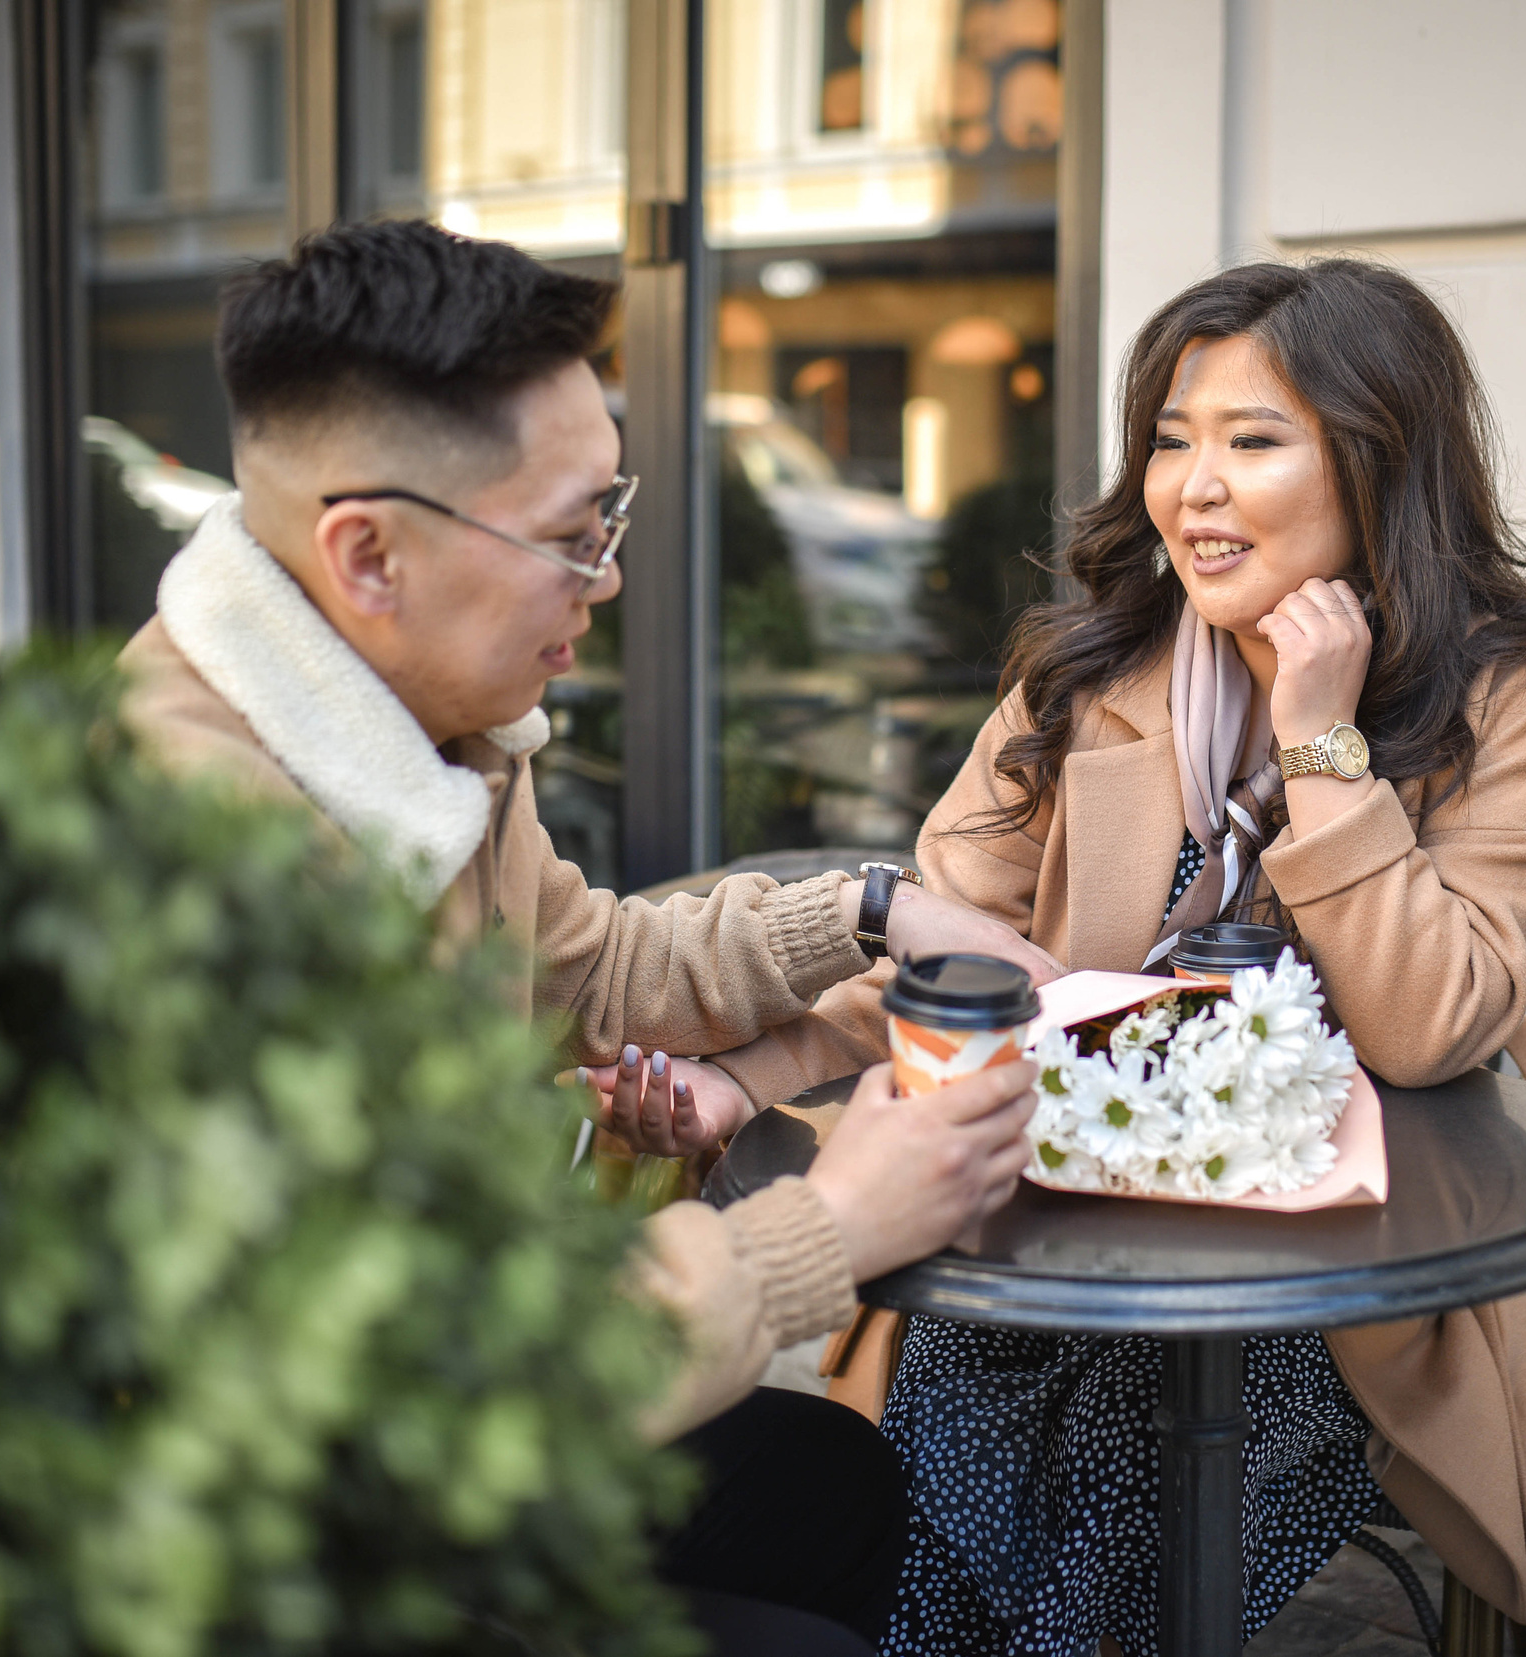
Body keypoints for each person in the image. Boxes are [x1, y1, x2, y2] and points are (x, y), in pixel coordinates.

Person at [598, 259, 1526, 1655]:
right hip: (1053, 1223)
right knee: (916, 1569)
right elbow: (947, 931)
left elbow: (1432, 1023)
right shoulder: (1088, 677)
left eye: (1252, 440)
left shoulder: (1504, 714)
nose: (1192, 485)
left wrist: (1321, 743)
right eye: (1173, 439)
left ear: (1378, 465)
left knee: (1113, 1578)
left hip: (1318, 1282)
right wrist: (751, 1073)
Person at [114, 218, 1059, 1654]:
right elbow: (428, 1389)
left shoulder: (433, 731)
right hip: (253, 1547)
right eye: (574, 538)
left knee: (838, 1485)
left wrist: (870, 905)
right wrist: (837, 1223)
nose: (609, 582)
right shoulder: (200, 864)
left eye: (610, 522)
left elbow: (592, 969)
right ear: (367, 553)